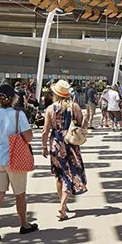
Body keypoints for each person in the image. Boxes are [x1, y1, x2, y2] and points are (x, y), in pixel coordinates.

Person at [0, 84, 38, 244]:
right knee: (20, 194)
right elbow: (28, 137)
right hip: (14, 159)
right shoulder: (18, 115)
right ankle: (24, 224)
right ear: (14, 99)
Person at [42, 80, 87, 221]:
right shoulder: (74, 107)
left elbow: (45, 130)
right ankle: (63, 205)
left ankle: (62, 203)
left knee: (60, 174)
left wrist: (44, 146)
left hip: (56, 142)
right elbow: (80, 124)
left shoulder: (50, 109)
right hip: (71, 142)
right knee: (71, 173)